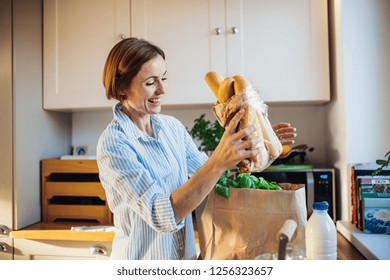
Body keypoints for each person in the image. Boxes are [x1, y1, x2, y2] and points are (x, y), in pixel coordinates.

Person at [97, 37, 297, 260]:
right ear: (122, 88)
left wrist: (261, 143)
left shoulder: (172, 128)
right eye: (151, 82)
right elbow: (161, 215)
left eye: (163, 78)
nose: (162, 89)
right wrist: (217, 162)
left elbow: (218, 181)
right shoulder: (114, 145)